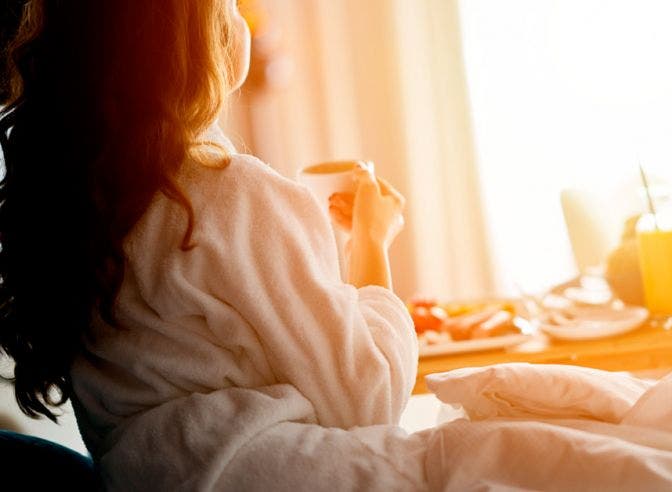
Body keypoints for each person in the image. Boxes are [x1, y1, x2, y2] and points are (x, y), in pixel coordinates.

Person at [0, 1, 419, 487]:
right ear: (192, 45)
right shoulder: (233, 196)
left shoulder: (71, 211)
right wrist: (371, 241)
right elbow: (369, 401)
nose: (244, 21)